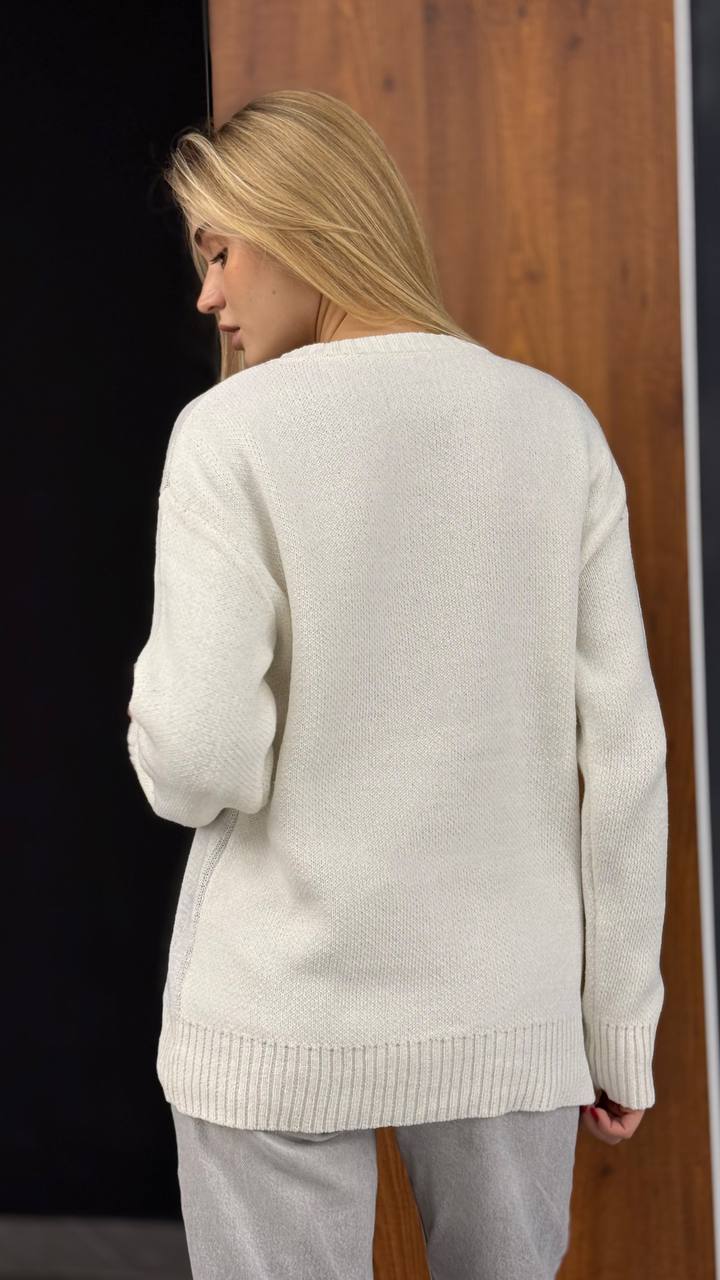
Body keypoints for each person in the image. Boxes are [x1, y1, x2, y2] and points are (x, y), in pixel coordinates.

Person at [126, 89, 668, 1279]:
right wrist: (619, 1025)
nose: (208, 294)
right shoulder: (556, 429)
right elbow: (626, 757)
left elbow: (196, 763)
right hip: (510, 1016)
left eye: (219, 251)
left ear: (300, 226)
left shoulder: (228, 434)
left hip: (274, 1018)